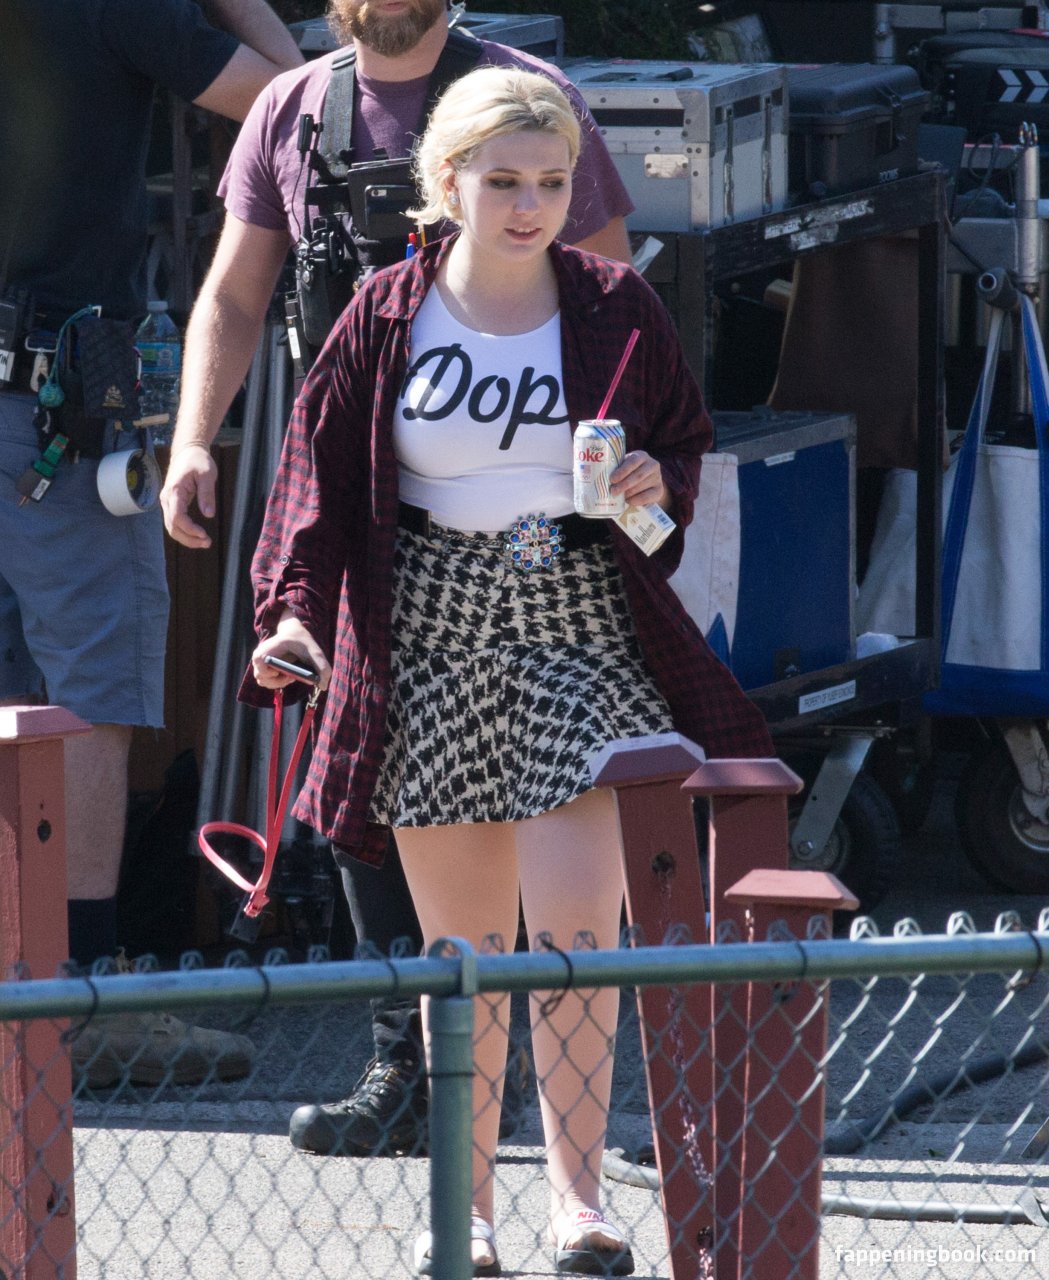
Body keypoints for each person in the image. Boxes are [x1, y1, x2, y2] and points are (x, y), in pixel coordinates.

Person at [244, 65, 773, 1277]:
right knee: (466, 952)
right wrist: (294, 619)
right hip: (424, 627)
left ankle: (578, 1203)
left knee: (577, 927)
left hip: (573, 616)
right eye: (502, 182)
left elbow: (679, 450)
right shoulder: (384, 311)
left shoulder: (615, 305)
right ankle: (466, 1210)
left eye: (548, 182)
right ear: (446, 183)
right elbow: (315, 482)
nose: (529, 206)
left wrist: (650, 483)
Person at [161, 0, 636, 1157]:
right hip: (358, 505)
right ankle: (412, 1068)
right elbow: (233, 295)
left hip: (518, 523)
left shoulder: (527, 100)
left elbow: (612, 300)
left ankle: (546, 1106)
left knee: (543, 784)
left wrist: (608, 495)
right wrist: (190, 442)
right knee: (364, 773)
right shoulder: (289, 109)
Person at [0, 0, 303, 1088]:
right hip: (51, 390)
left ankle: (22, 985)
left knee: (18, 687)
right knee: (90, 684)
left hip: (40, 379)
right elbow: (295, 100)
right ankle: (75, 999)